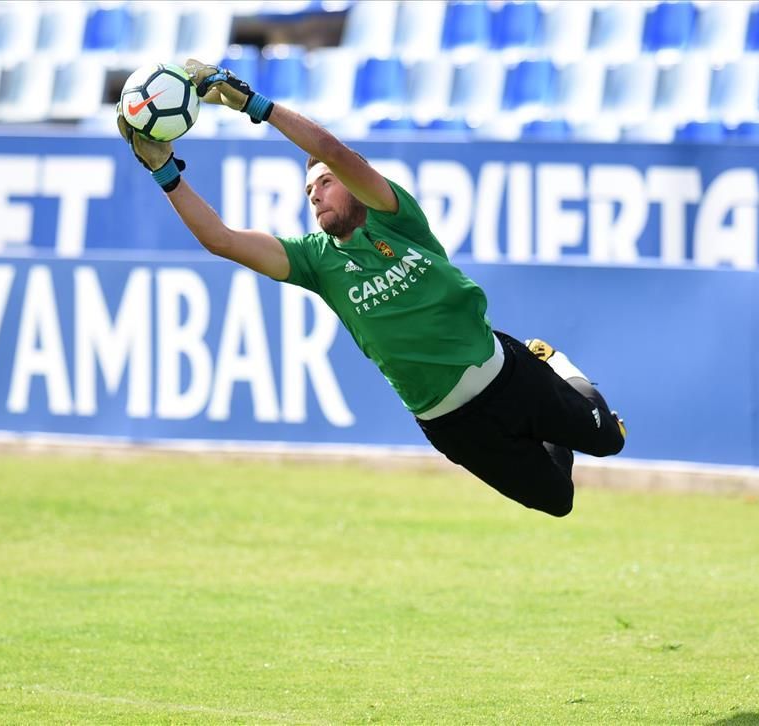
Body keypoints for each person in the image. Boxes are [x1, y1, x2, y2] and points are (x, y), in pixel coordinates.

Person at [116, 59, 626, 517]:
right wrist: (165, 173)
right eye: (308, 192)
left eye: (325, 183)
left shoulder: (393, 217)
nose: (316, 194)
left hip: (507, 373)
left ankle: (550, 362)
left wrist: (255, 105)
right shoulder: (315, 261)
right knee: (559, 500)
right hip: (449, 422)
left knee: (609, 441)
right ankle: (547, 422)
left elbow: (330, 149)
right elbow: (221, 239)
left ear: (350, 182)